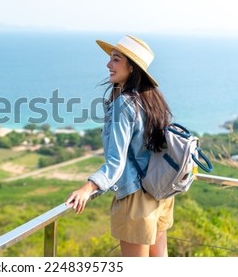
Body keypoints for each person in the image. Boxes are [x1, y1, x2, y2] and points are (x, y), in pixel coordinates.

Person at [65, 35, 174, 257]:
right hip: (160, 193)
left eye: (115, 59)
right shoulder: (152, 98)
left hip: (137, 199)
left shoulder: (125, 103)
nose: (108, 64)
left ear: (132, 68)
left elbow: (116, 162)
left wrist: (87, 189)